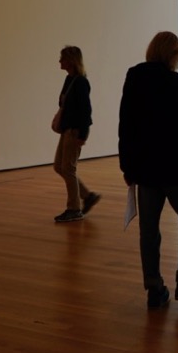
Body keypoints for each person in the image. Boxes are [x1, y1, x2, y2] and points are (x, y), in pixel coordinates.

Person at [119, 31, 178, 308]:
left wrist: (127, 165)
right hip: (174, 166)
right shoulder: (175, 81)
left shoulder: (134, 77)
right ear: (173, 55)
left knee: (149, 229)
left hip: (144, 167)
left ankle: (154, 288)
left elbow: (126, 124)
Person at [52, 46, 100, 223]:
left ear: (71, 60)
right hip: (66, 129)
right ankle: (87, 196)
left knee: (68, 168)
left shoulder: (80, 82)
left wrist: (83, 135)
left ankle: (74, 209)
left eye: (62, 58)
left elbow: (86, 110)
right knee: (59, 166)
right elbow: (63, 103)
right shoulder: (69, 79)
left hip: (74, 131)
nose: (60, 61)